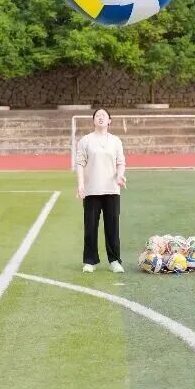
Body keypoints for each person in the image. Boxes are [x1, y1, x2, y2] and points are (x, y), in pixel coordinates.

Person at [75, 108, 126, 273]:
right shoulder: (85, 141)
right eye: (98, 115)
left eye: (104, 115)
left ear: (110, 120)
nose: (101, 117)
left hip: (112, 189)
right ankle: (90, 261)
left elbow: (120, 162)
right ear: (93, 120)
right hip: (91, 190)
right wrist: (81, 184)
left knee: (113, 227)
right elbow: (80, 163)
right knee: (90, 227)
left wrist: (120, 176)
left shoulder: (116, 141)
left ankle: (114, 261)